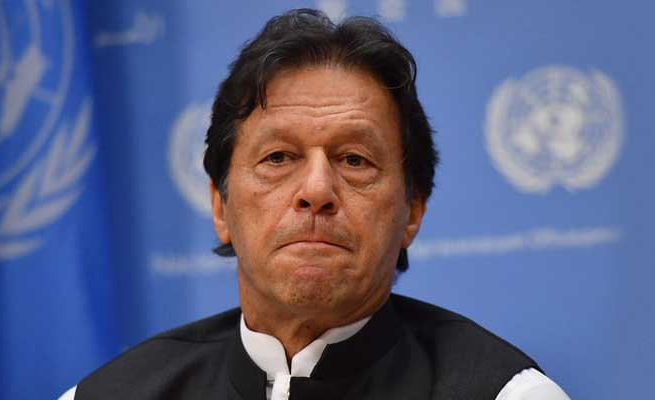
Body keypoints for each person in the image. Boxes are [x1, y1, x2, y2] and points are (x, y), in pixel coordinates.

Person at [61, 8, 570, 400]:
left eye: (354, 159)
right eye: (279, 156)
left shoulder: (505, 393)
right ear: (221, 206)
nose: (317, 189)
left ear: (412, 210)